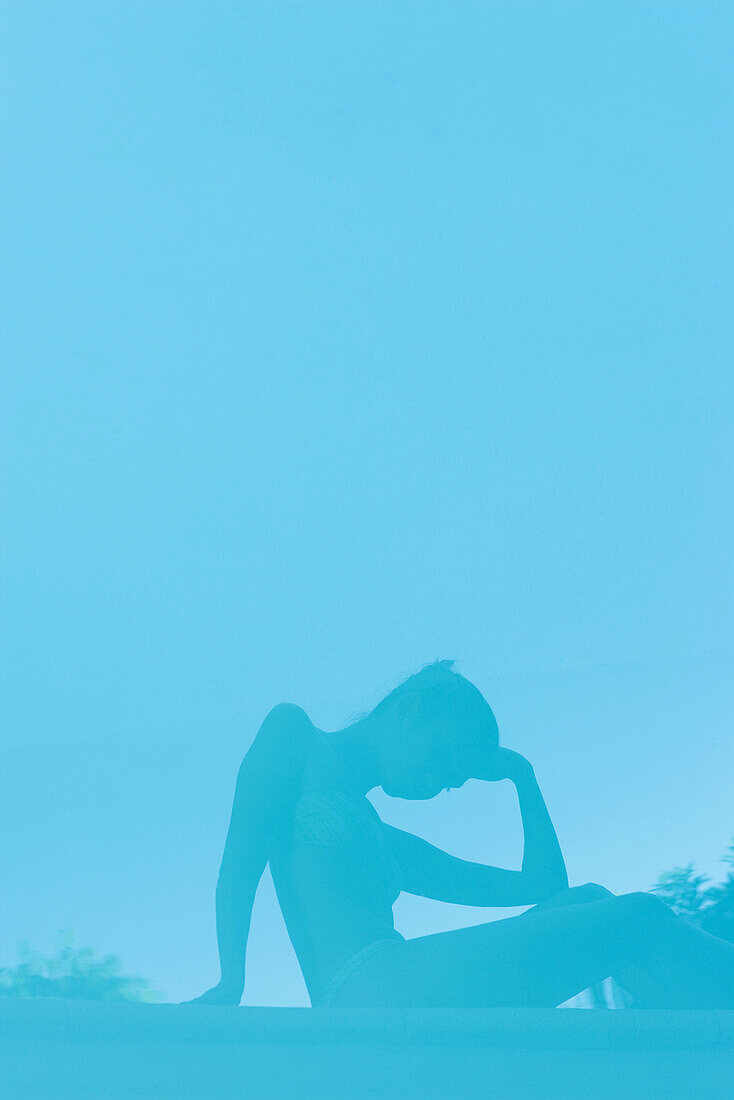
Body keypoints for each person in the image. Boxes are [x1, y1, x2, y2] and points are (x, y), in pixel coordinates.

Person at [189, 660, 734, 1009]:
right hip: (367, 990)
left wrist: (523, 777)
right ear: (409, 708)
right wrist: (229, 982)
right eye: (443, 757)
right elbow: (240, 860)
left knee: (589, 901)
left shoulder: (383, 840)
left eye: (453, 782)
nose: (438, 783)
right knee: (636, 916)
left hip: (403, 984)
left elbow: (543, 886)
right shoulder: (293, 733)